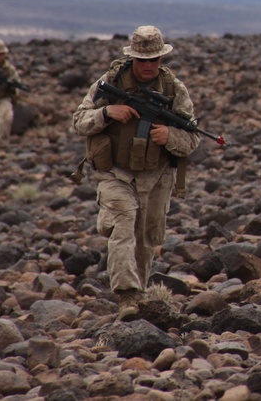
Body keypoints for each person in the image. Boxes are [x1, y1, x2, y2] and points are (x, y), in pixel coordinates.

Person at [71, 25, 201, 311]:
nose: (148, 66)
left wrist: (171, 136)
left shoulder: (174, 89)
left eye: (153, 60)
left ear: (161, 59)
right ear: (132, 58)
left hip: (156, 177)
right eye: (142, 60)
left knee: (145, 240)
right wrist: (107, 113)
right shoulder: (109, 82)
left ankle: (139, 298)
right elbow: (79, 121)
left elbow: (192, 138)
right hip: (115, 173)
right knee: (123, 226)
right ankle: (127, 295)